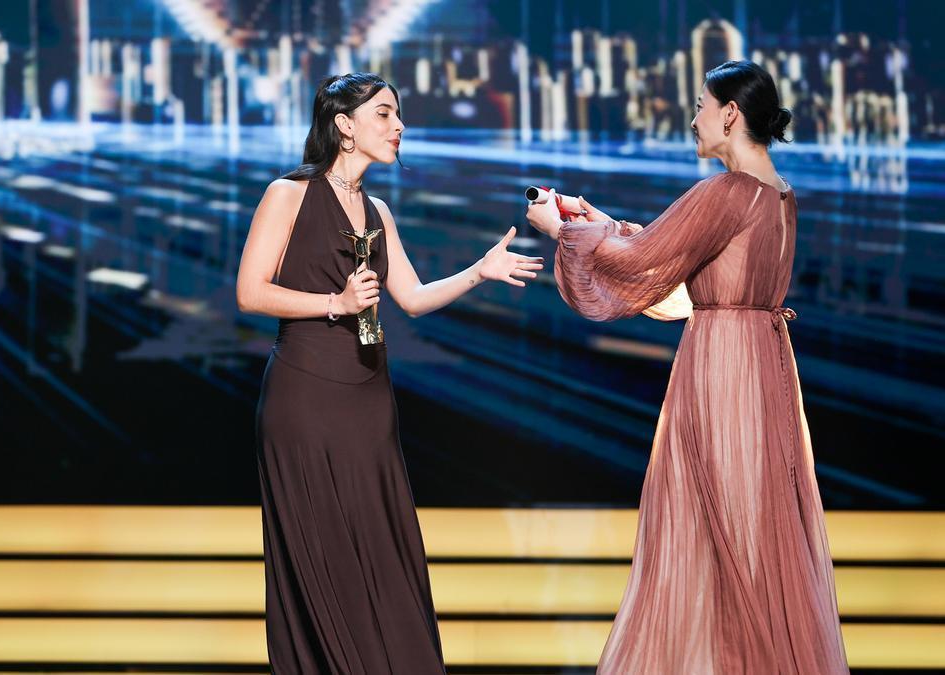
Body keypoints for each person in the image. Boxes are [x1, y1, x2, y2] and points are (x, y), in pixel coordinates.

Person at [526, 60, 849, 674]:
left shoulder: (725, 193)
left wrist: (561, 232)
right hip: (765, 372)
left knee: (709, 537)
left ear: (730, 114)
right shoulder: (780, 195)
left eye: (701, 104)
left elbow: (645, 265)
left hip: (721, 374)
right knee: (753, 539)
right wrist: (598, 225)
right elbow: (679, 265)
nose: (694, 117)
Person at [236, 72, 543, 673]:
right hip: (307, 398)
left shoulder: (377, 209)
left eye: (398, 115)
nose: (398, 126)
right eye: (384, 115)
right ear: (344, 127)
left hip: (369, 403)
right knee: (324, 556)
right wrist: (336, 304)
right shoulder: (288, 193)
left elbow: (413, 297)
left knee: (384, 555)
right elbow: (250, 291)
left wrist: (479, 272)